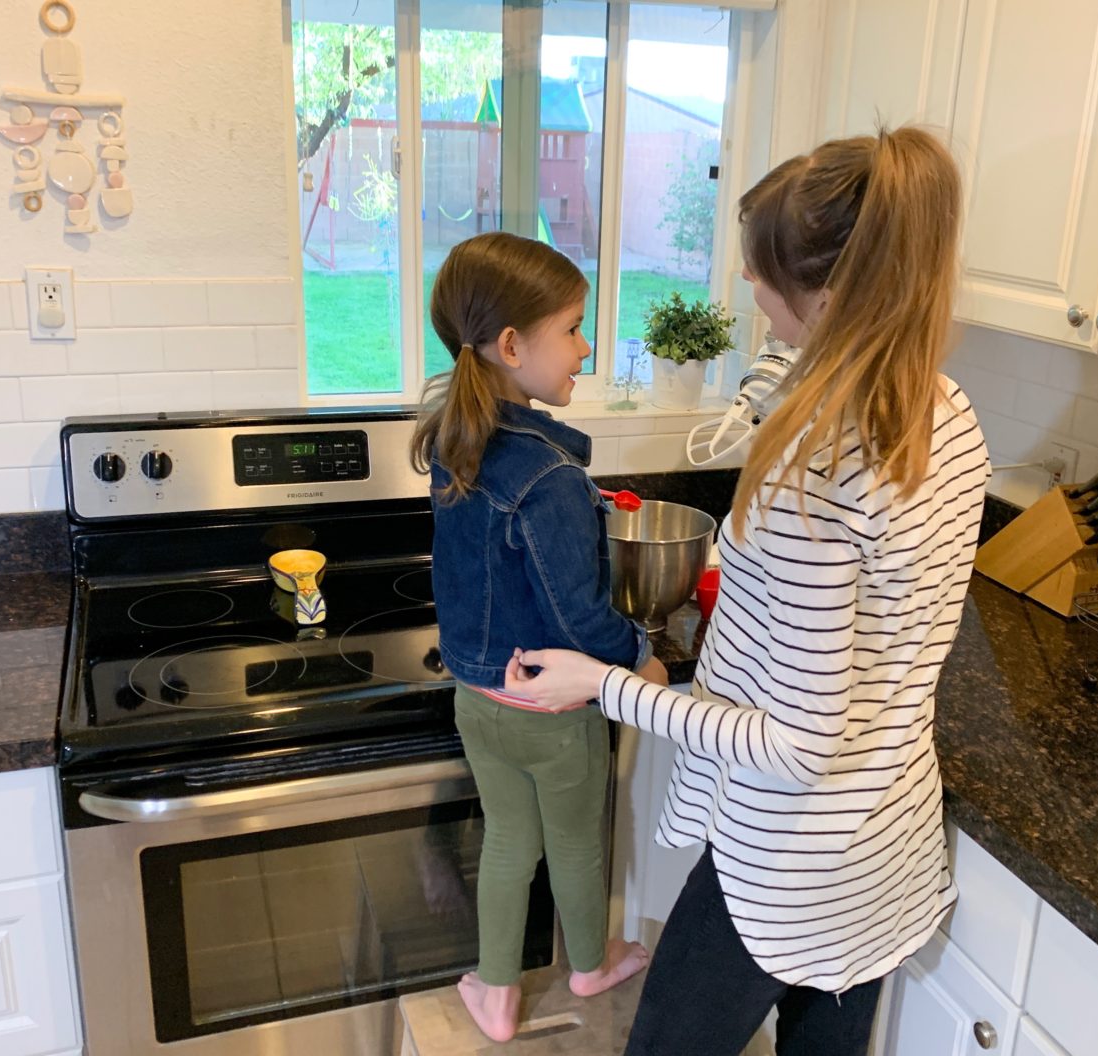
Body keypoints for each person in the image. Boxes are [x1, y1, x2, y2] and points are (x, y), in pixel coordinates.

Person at [503, 127, 991, 1056]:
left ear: (833, 297)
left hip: (788, 858)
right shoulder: (944, 410)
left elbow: (795, 745)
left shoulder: (816, 479)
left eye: (765, 284)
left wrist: (604, 686)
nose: (756, 306)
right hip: (884, 834)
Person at [410, 231, 667, 1043]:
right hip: (554, 717)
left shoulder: (455, 437)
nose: (587, 347)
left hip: (478, 699)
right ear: (513, 345)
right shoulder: (550, 477)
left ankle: (494, 992)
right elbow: (579, 617)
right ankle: (589, 964)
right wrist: (640, 658)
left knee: (508, 846)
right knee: (577, 848)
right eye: (575, 327)